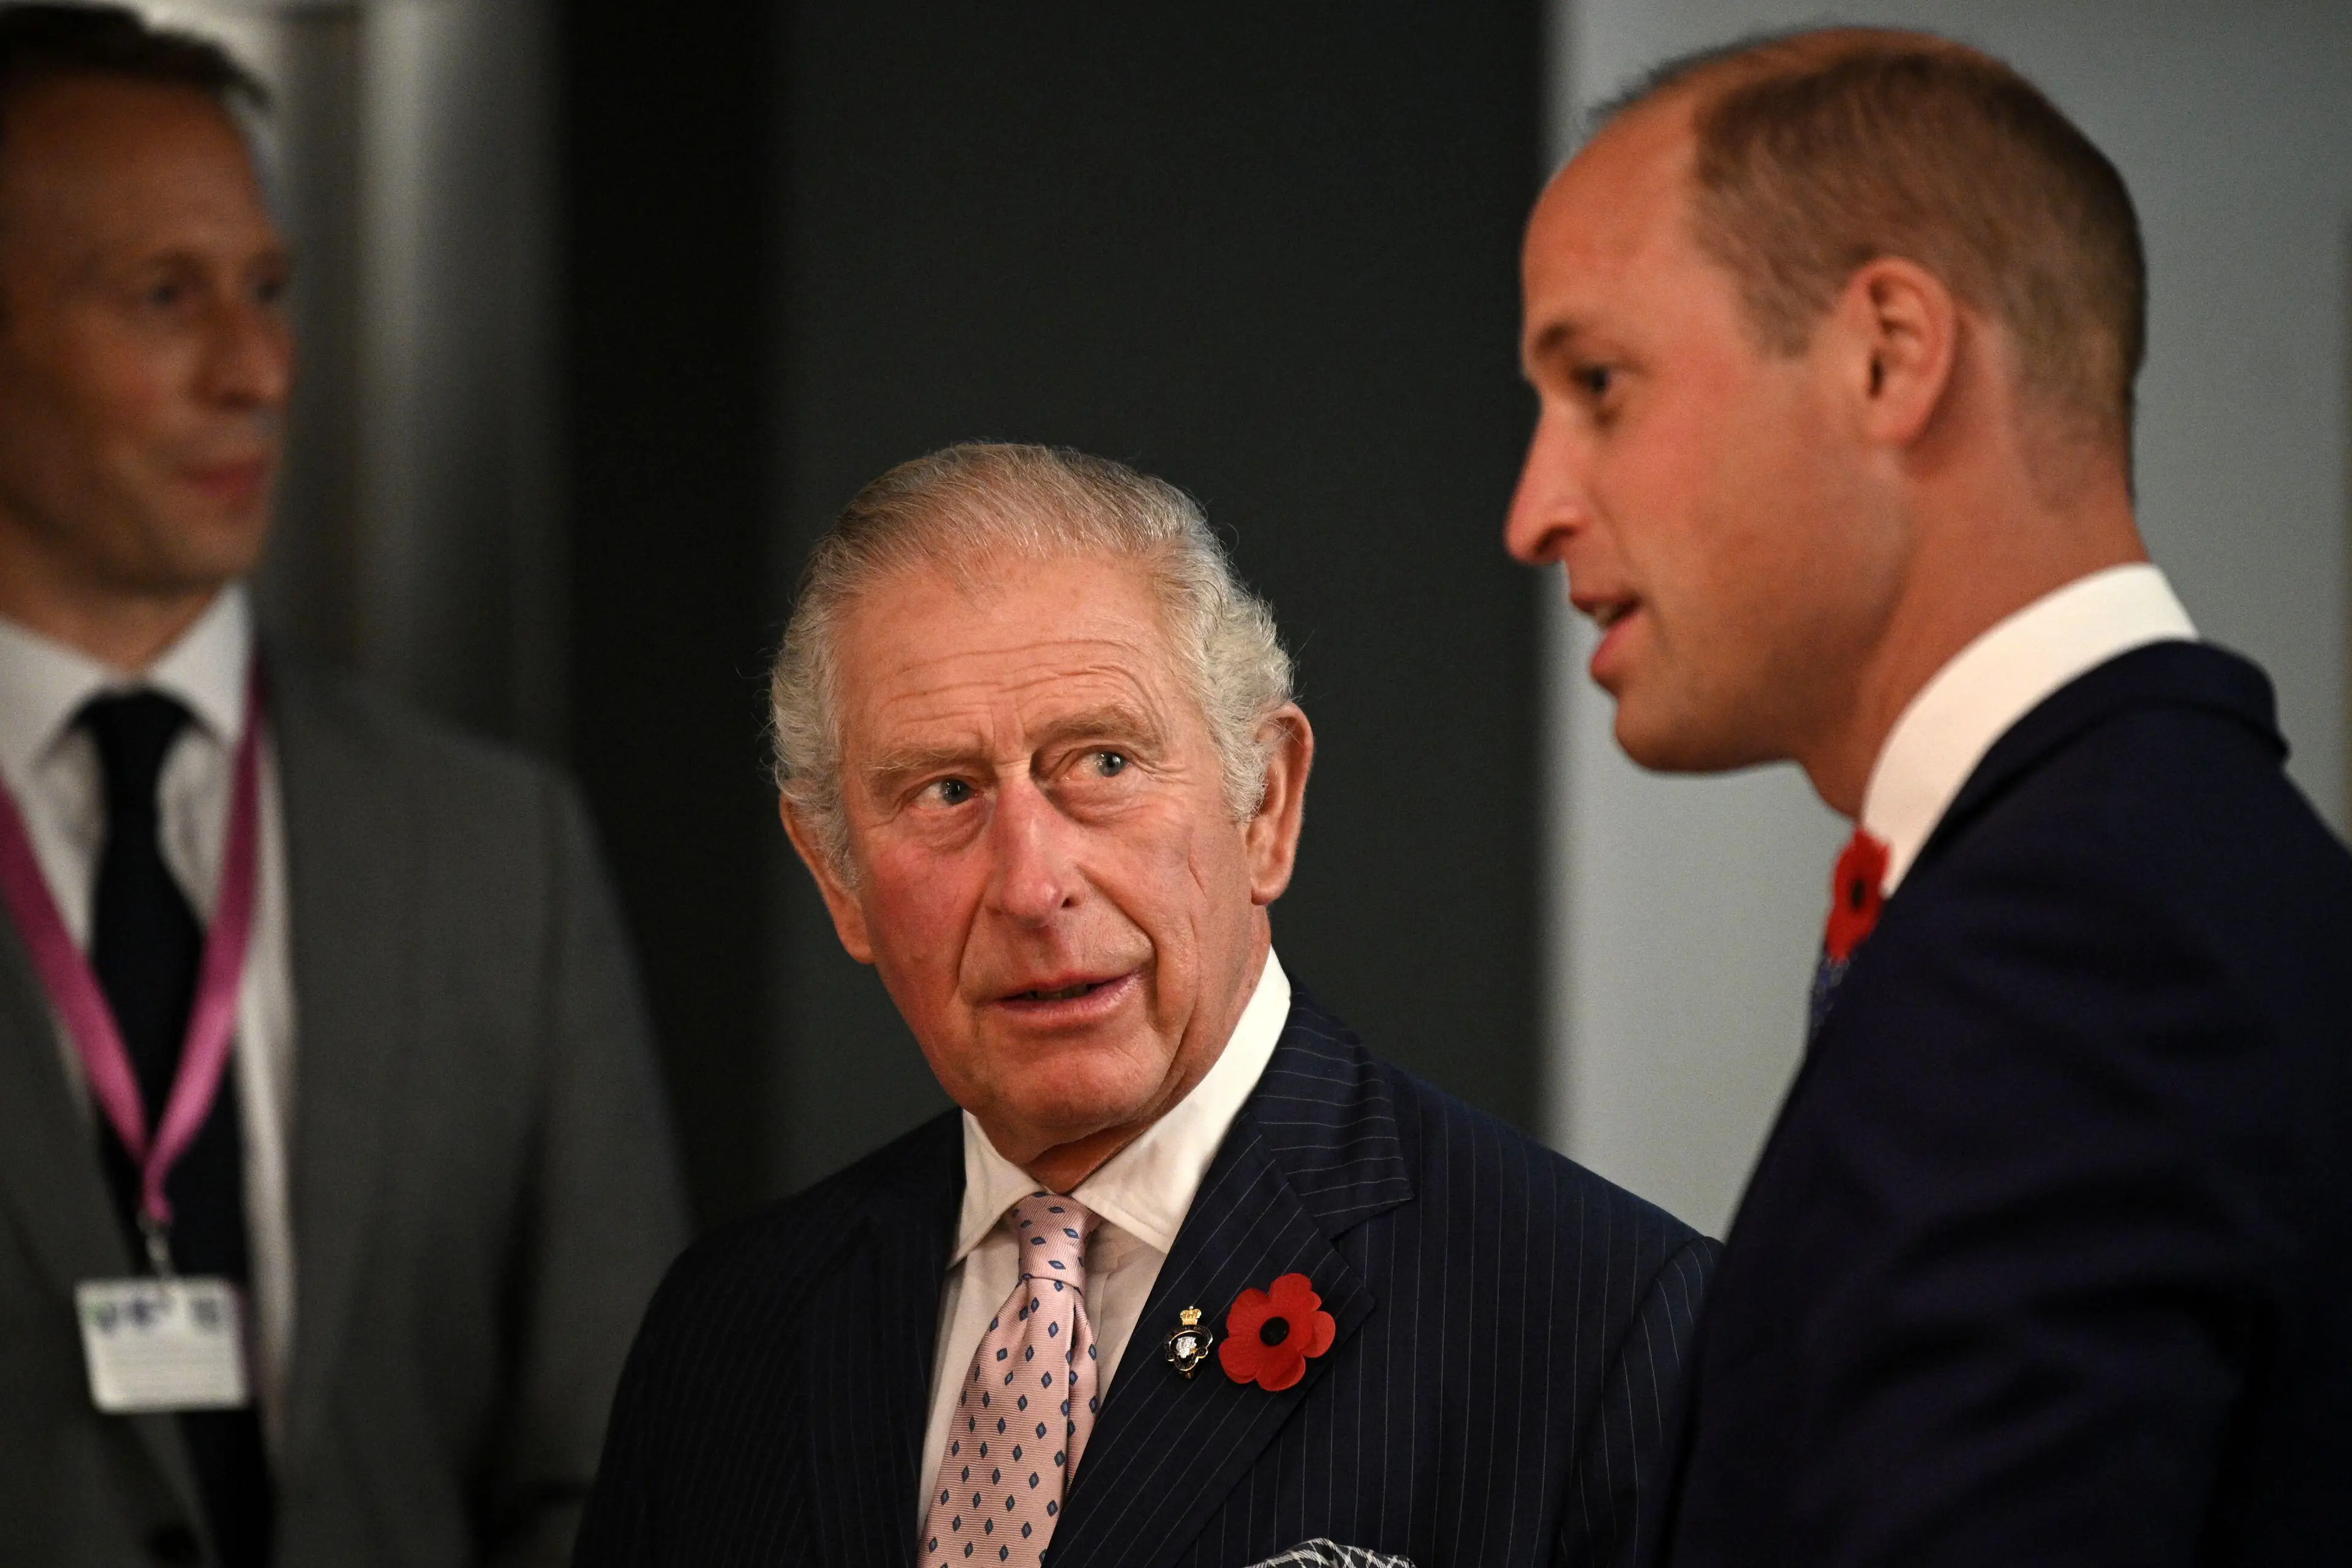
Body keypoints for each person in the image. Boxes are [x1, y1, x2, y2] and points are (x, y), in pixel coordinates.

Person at [1505, 26, 2352, 1566]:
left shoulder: (2078, 950)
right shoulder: (2159, 866)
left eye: (1602, 382)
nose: (1533, 509)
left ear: (1889, 353)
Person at [575, 442, 1714, 1568]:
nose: (1031, 883)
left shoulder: (1610, 1326)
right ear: (837, 878)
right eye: (947, 791)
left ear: (1265, 803)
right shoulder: (728, 1334)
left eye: (1103, 763)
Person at [0, 9, 688, 1566]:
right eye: (164, 295)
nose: (254, 370)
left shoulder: (495, 849)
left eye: (269, 291)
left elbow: (629, 1460)